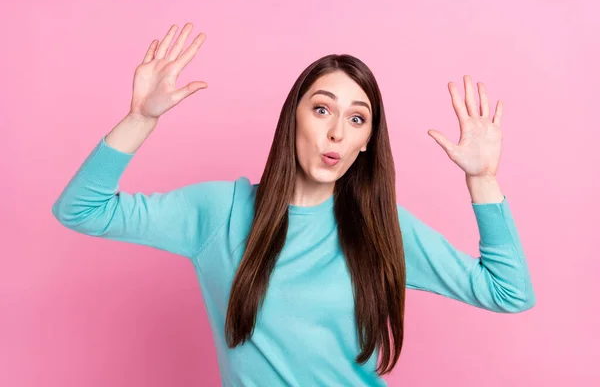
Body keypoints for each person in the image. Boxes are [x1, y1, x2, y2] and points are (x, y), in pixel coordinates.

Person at [52, 23, 536, 386]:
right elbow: (81, 210)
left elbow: (509, 292)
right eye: (322, 109)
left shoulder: (382, 229)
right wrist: (139, 119)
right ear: (294, 117)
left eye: (357, 118)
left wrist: (482, 178)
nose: (336, 133)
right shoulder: (218, 212)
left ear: (367, 140)